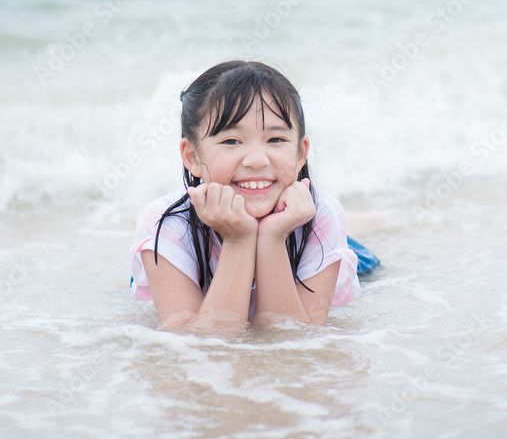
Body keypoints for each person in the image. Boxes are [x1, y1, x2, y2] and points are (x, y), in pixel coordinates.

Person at [129, 61, 374, 333]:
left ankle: (367, 223)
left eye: (276, 140)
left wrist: (272, 237)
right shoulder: (165, 226)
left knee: (364, 254)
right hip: (198, 243)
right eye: (232, 141)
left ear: (301, 153)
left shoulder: (321, 216)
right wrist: (238, 239)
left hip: (329, 249)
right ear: (192, 156)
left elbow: (292, 339)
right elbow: (200, 343)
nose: (257, 160)